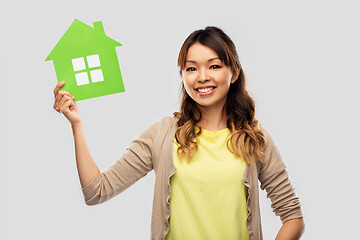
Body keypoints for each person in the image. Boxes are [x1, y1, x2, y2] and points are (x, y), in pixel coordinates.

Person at [53, 26, 304, 240]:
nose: (202, 77)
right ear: (183, 75)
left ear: (234, 72)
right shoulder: (162, 134)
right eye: (191, 68)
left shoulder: (255, 139)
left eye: (214, 66)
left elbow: (292, 217)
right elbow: (96, 191)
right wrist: (76, 125)